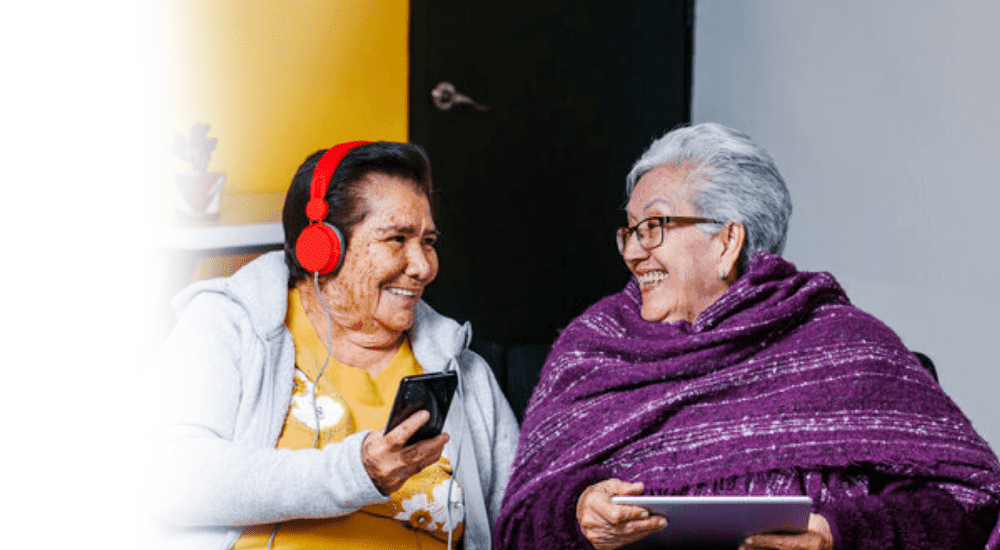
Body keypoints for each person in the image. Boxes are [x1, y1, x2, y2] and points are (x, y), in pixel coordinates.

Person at [494, 123, 1000, 550]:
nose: (632, 253)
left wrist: (839, 533)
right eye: (629, 231)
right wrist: (579, 513)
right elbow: (519, 523)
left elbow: (970, 503)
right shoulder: (592, 348)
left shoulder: (846, 347)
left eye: (653, 227)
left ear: (727, 241)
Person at [145, 141, 519, 550]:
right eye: (397, 238)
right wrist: (357, 472)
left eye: (428, 241)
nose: (423, 267)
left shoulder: (461, 368)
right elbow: (169, 476)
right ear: (322, 247)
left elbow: (522, 513)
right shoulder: (231, 325)